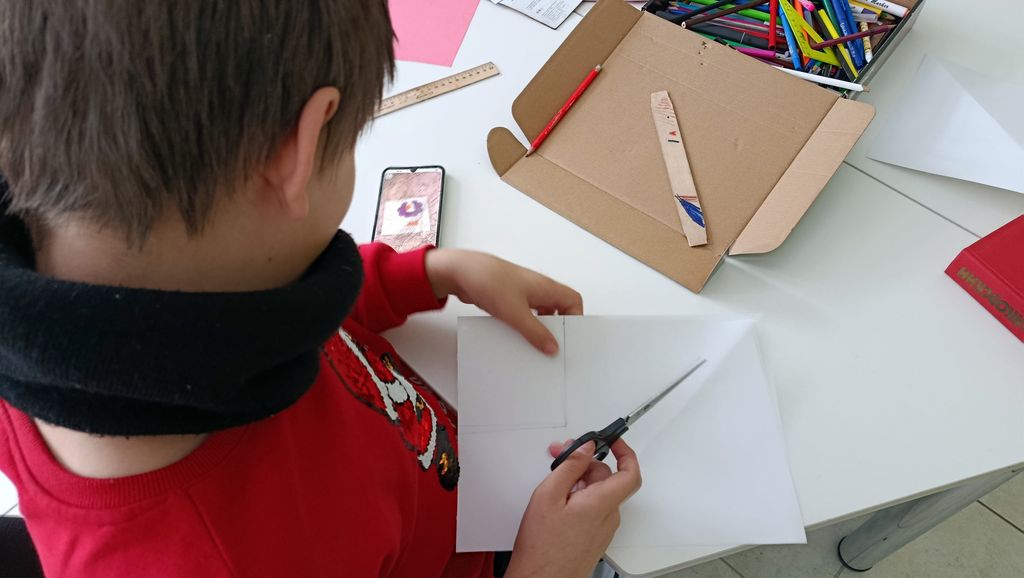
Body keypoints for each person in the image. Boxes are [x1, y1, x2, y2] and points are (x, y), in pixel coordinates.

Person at [0, 1, 641, 577]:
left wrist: (426, 274)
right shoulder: (220, 556)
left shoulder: (101, 310)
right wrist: (545, 568)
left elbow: (273, 288)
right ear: (301, 150)